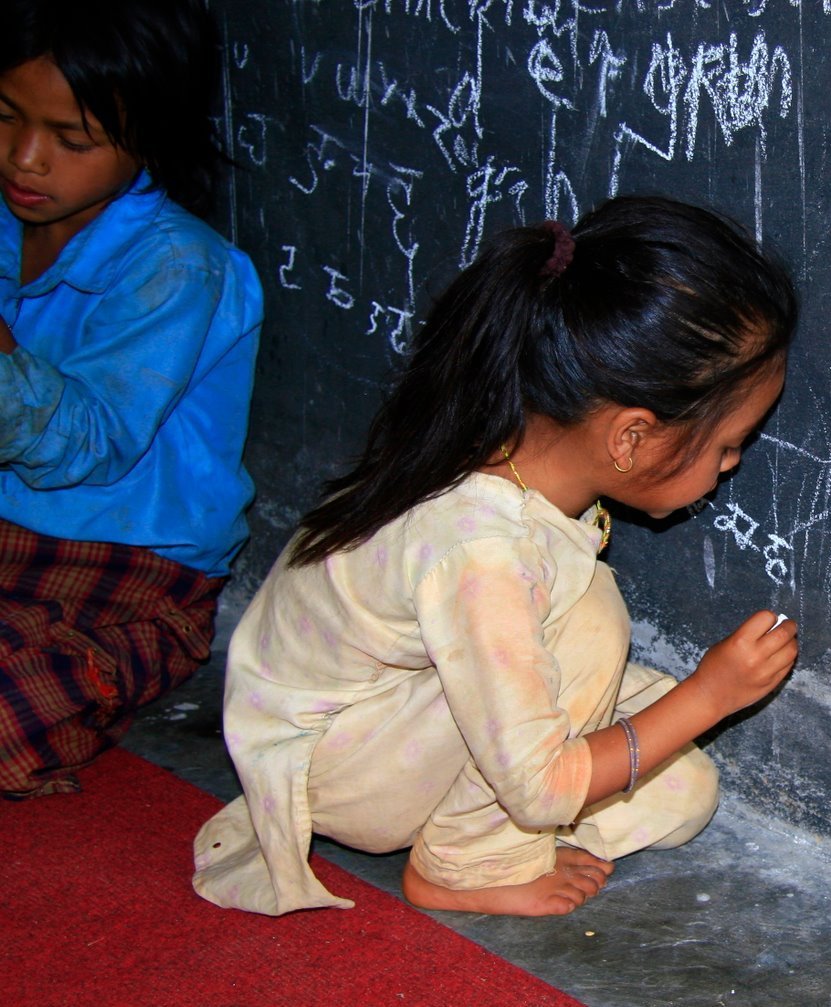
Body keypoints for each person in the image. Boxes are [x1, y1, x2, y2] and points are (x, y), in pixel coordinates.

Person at [192, 197, 798, 918]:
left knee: (681, 794)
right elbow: (541, 776)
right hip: (336, 761)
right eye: (729, 446)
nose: (730, 466)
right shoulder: (481, 549)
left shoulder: (502, 444)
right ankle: (467, 864)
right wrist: (709, 695)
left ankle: (471, 820)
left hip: (403, 723)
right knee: (591, 618)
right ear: (631, 438)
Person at [0, 0, 263, 798]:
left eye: (73, 139)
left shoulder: (180, 267)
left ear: (149, 136)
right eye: (5, 116)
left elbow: (81, 445)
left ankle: (96, 675)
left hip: (125, 572)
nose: (27, 158)